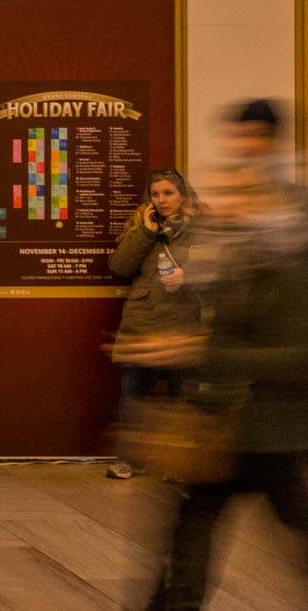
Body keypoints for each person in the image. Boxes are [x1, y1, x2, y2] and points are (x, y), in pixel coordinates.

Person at [130, 101, 308, 610]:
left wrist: (204, 350)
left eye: (253, 138)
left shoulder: (294, 234)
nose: (243, 150)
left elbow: (293, 352)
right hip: (225, 419)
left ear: (274, 143)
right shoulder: (236, 227)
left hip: (274, 423)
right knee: (191, 529)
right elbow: (211, 302)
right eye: (238, 138)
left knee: (284, 519)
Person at [105, 168, 202, 479]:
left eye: (168, 193)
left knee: (181, 398)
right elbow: (119, 266)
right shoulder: (143, 227)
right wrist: (145, 232)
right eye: (156, 194)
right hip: (142, 325)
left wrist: (190, 276)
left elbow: (220, 274)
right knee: (133, 396)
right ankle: (129, 460)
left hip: (181, 326)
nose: (162, 200)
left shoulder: (201, 230)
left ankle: (178, 462)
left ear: (183, 195)